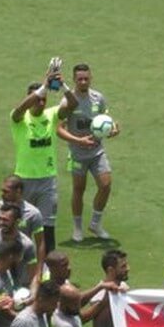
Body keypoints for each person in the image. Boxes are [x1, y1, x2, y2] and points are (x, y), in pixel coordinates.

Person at [10, 58, 80, 254]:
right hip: (23, 180)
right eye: (37, 98)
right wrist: (43, 87)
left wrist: (62, 85)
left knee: (48, 227)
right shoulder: (19, 119)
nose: (41, 102)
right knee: (22, 228)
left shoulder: (52, 115)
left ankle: (49, 271)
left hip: (47, 181)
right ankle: (21, 267)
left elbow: (73, 104)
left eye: (43, 98)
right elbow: (20, 109)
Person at [58, 63, 119, 242]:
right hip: (77, 153)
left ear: (90, 78)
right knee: (79, 189)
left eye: (86, 78)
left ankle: (95, 224)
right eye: (80, 79)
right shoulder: (68, 101)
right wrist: (78, 141)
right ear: (74, 80)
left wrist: (112, 130)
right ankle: (77, 228)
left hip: (97, 152)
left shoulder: (98, 98)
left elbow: (106, 120)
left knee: (106, 185)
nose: (83, 82)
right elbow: (59, 129)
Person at [0, 204, 39, 287]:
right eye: (0, 219)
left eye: (5, 220)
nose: (1, 223)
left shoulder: (27, 245)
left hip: (18, 292)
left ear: (17, 222)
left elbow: (33, 275)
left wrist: (32, 295)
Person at [0, 175, 45, 264]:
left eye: (6, 192)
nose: (2, 195)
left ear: (18, 192)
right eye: (2, 191)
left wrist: (38, 272)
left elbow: (40, 244)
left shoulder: (33, 213)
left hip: (22, 261)